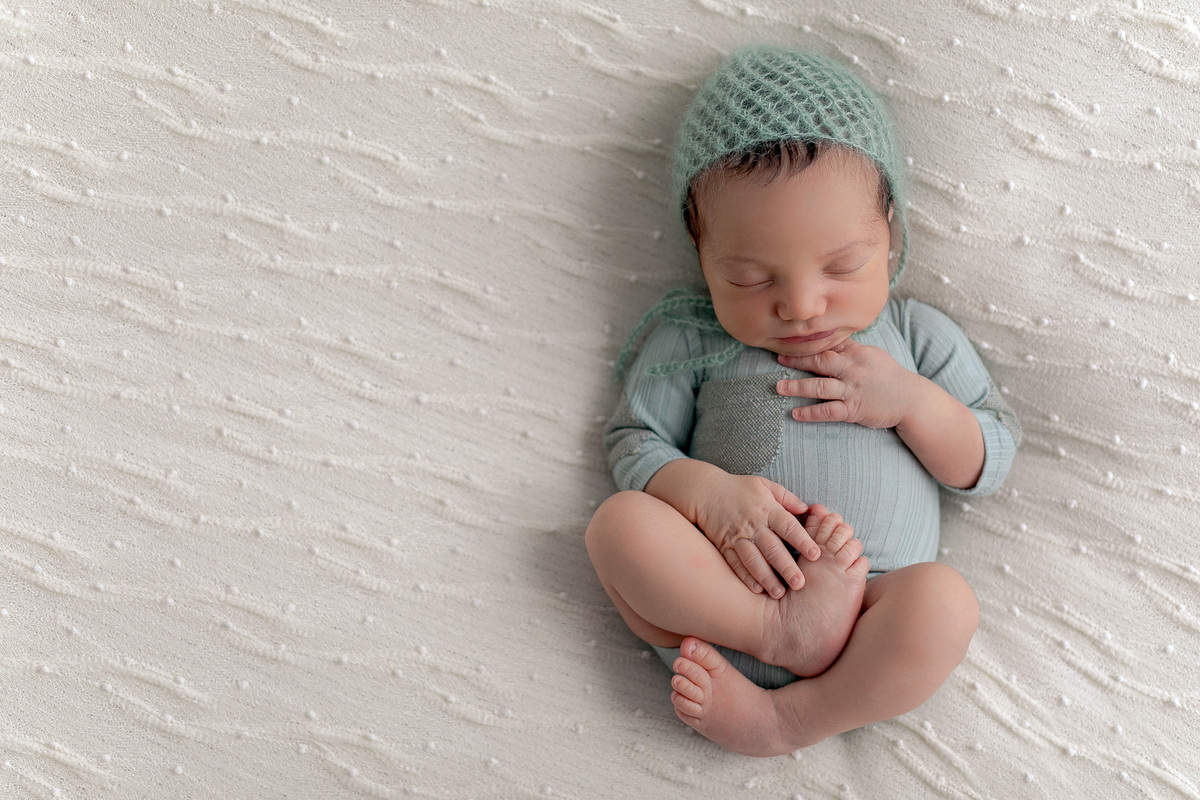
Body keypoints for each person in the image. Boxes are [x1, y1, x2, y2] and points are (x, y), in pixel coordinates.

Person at [584, 45, 1021, 757]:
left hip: (867, 619)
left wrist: (910, 401)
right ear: (701, 256)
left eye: (843, 266)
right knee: (616, 527)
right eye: (751, 279)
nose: (801, 304)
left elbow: (988, 456)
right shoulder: (691, 336)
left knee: (944, 603)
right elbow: (635, 442)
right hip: (718, 606)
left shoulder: (913, 336)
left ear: (893, 235)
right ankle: (774, 632)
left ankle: (790, 719)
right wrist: (706, 494)